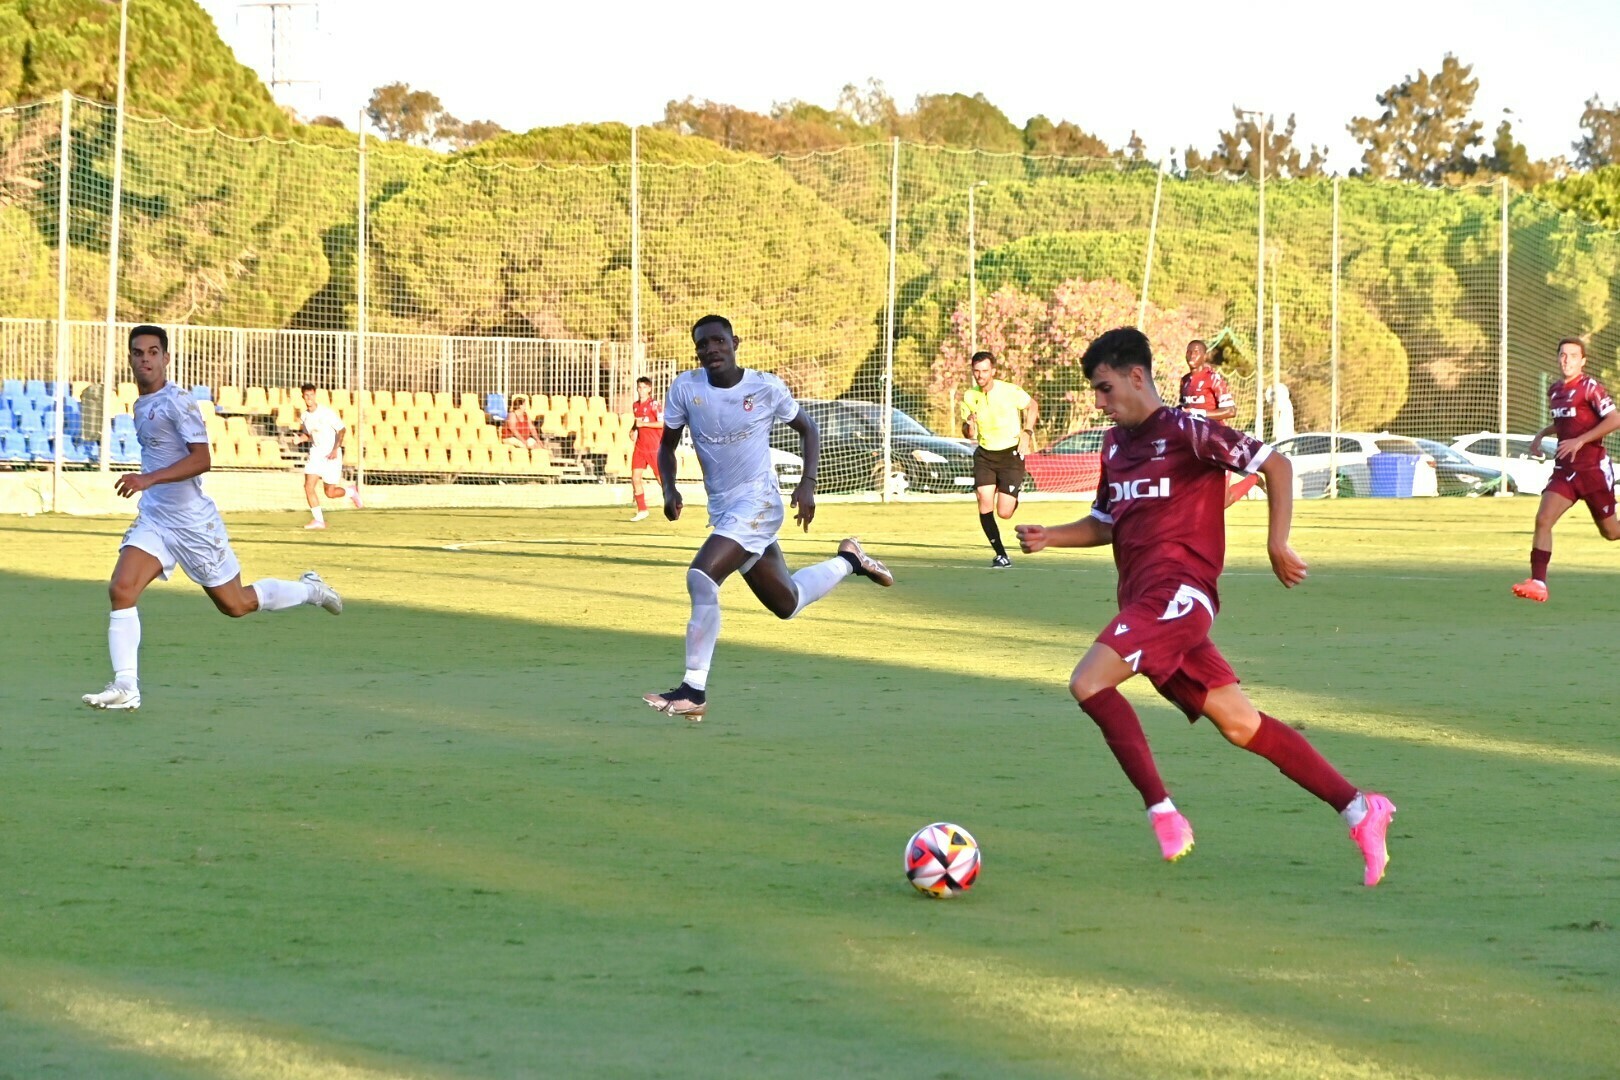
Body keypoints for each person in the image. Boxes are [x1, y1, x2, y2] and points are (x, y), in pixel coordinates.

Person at [1014, 327, 1396, 886]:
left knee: (1088, 682)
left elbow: (1275, 465)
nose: (1098, 402)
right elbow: (1105, 523)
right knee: (1241, 725)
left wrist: (1277, 543)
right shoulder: (1114, 446)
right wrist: (1051, 536)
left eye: (1104, 388)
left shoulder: (1188, 432)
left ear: (1136, 376)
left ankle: (1163, 813)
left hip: (1180, 596)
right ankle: (1361, 809)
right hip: (1147, 605)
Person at [642, 315, 894, 720]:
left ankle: (693, 690)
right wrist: (669, 489)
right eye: (703, 344)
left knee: (701, 577)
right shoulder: (685, 388)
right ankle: (850, 559)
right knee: (786, 603)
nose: (711, 350)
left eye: (718, 341)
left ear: (735, 342)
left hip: (758, 503)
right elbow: (666, 447)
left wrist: (807, 483)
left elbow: (808, 429)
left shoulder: (765, 387)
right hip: (725, 510)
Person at [82, 326, 343, 712]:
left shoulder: (179, 402)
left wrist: (148, 479)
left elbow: (202, 459)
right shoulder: (140, 405)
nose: (145, 359)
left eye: (153, 352)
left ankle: (310, 590)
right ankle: (126, 686)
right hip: (156, 518)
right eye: (138, 352)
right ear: (131, 358)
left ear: (166, 358)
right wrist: (150, 487)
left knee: (235, 604)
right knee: (121, 588)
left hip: (193, 523)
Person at [1512, 336, 1620, 602]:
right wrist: (1541, 434)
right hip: (1565, 470)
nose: (1566, 360)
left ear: (1583, 361)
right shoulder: (1555, 390)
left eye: (1573, 355)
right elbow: (1565, 423)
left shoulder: (1590, 387)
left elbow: (1614, 419)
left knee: (1611, 532)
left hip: (1592, 471)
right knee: (1543, 519)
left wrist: (1581, 440)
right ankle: (1538, 582)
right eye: (1562, 355)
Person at [959, 351, 1038, 568]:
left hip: (1010, 455)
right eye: (976, 371)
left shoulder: (1009, 391)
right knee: (984, 500)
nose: (980, 375)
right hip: (985, 455)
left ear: (993, 371)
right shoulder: (969, 396)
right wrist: (969, 425)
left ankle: (1012, 496)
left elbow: (1032, 405)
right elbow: (968, 433)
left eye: (985, 371)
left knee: (1004, 512)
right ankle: (1001, 555)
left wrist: (1027, 431)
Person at [1179, 338, 1256, 506]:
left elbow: (1230, 411)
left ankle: (1252, 479)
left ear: (1205, 356)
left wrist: (1198, 413)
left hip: (1217, 442)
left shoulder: (1213, 379)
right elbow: (1184, 409)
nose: (1191, 355)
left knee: (1221, 503)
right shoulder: (1184, 381)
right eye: (1189, 351)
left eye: (1196, 352)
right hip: (1195, 443)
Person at [295, 383, 361, 530]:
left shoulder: (326, 413)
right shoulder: (304, 416)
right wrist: (300, 439)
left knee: (330, 493)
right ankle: (319, 521)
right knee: (308, 486)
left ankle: (351, 492)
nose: (309, 398)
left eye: (312, 395)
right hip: (316, 453)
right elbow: (308, 435)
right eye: (306, 395)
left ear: (315, 395)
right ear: (303, 397)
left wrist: (335, 449)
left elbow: (342, 430)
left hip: (332, 454)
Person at [628, 376, 663, 522]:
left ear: (649, 389)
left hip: (654, 447)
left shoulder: (655, 405)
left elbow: (662, 424)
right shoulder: (635, 405)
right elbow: (638, 422)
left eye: (644, 387)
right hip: (640, 447)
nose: (641, 390)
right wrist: (633, 429)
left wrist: (644, 425)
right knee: (635, 478)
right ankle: (642, 510)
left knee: (661, 479)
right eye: (639, 387)